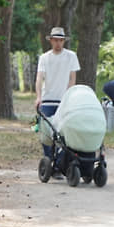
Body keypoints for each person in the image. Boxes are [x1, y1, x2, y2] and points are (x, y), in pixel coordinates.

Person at [35, 27, 80, 161]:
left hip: (63, 100)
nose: (58, 43)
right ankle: (48, 159)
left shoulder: (71, 56)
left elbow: (72, 78)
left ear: (64, 41)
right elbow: (39, 78)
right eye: (56, 40)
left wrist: (69, 96)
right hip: (48, 99)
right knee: (46, 133)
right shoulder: (44, 57)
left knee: (64, 133)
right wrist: (38, 97)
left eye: (61, 40)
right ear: (51, 41)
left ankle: (60, 161)